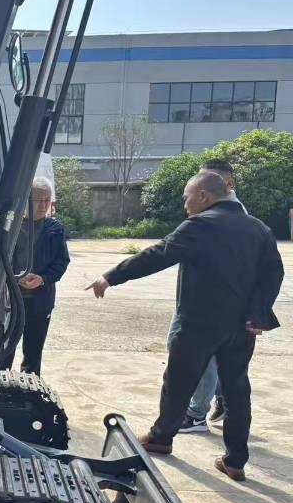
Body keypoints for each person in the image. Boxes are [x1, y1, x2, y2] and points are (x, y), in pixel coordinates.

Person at [86, 171, 284, 481]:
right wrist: (258, 314)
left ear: (204, 196)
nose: (185, 204)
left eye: (186, 197)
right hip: (241, 328)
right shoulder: (258, 228)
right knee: (236, 390)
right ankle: (235, 460)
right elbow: (274, 272)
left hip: (199, 323)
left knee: (178, 382)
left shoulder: (201, 225)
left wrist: (111, 276)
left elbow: (158, 254)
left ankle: (162, 438)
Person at [170, 159, 245, 433]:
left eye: (213, 179)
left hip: (210, 306)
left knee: (202, 358)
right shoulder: (215, 213)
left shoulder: (229, 217)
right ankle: (221, 400)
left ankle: (196, 413)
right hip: (208, 304)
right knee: (216, 359)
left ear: (228, 183)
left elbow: (163, 253)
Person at [4, 176, 70, 376]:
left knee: (33, 352)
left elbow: (62, 261)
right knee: (4, 350)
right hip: (11, 302)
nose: (43, 205)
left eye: (47, 200)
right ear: (25, 199)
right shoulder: (9, 227)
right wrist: (15, 278)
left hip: (41, 302)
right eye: (37, 200)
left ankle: (27, 393)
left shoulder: (55, 229)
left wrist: (43, 279)